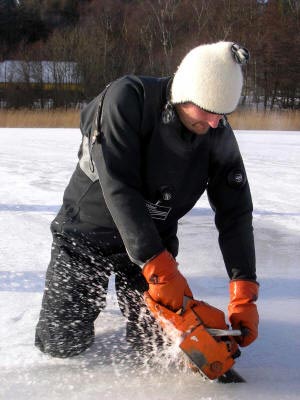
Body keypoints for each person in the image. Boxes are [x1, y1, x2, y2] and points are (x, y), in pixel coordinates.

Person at [35, 41, 259, 358]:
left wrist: (245, 290)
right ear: (185, 94)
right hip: (87, 236)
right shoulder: (128, 99)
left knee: (153, 348)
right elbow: (119, 186)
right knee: (62, 344)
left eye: (221, 115)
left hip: (153, 242)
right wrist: (162, 269)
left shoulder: (215, 129)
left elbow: (235, 213)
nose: (213, 123)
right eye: (208, 111)